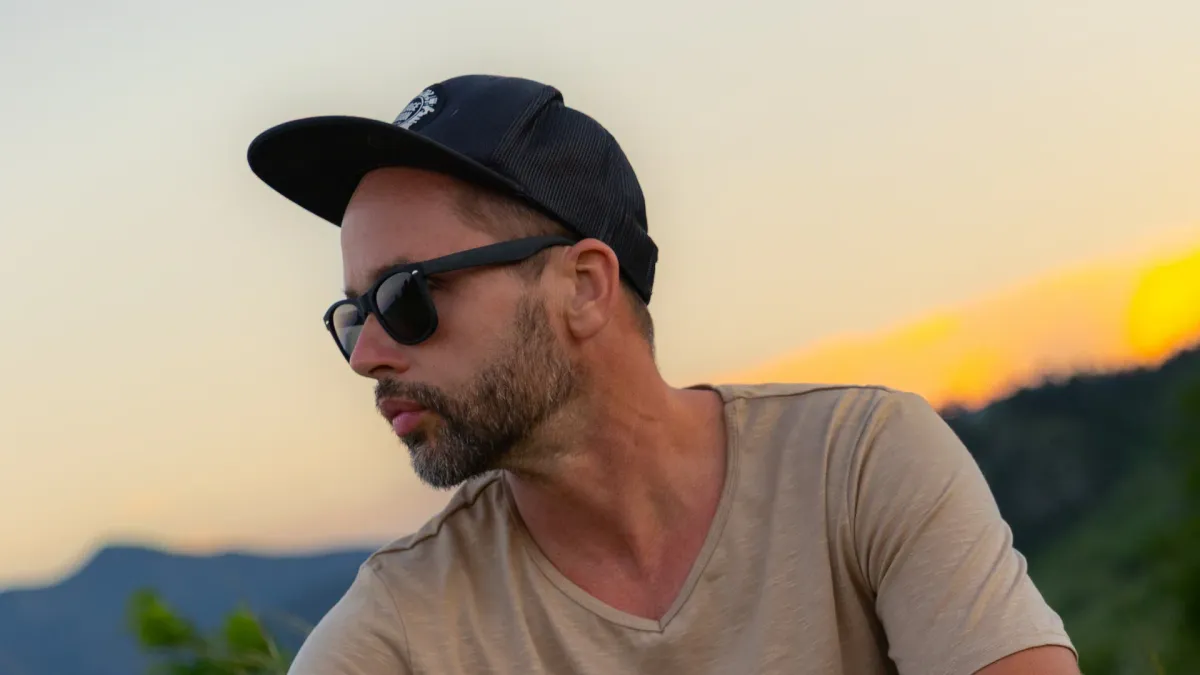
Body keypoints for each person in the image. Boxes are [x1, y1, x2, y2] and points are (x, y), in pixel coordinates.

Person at [247, 74, 1080, 674]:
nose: (367, 354)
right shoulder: (400, 631)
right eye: (352, 314)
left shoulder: (856, 465)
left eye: (407, 295)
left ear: (583, 287)